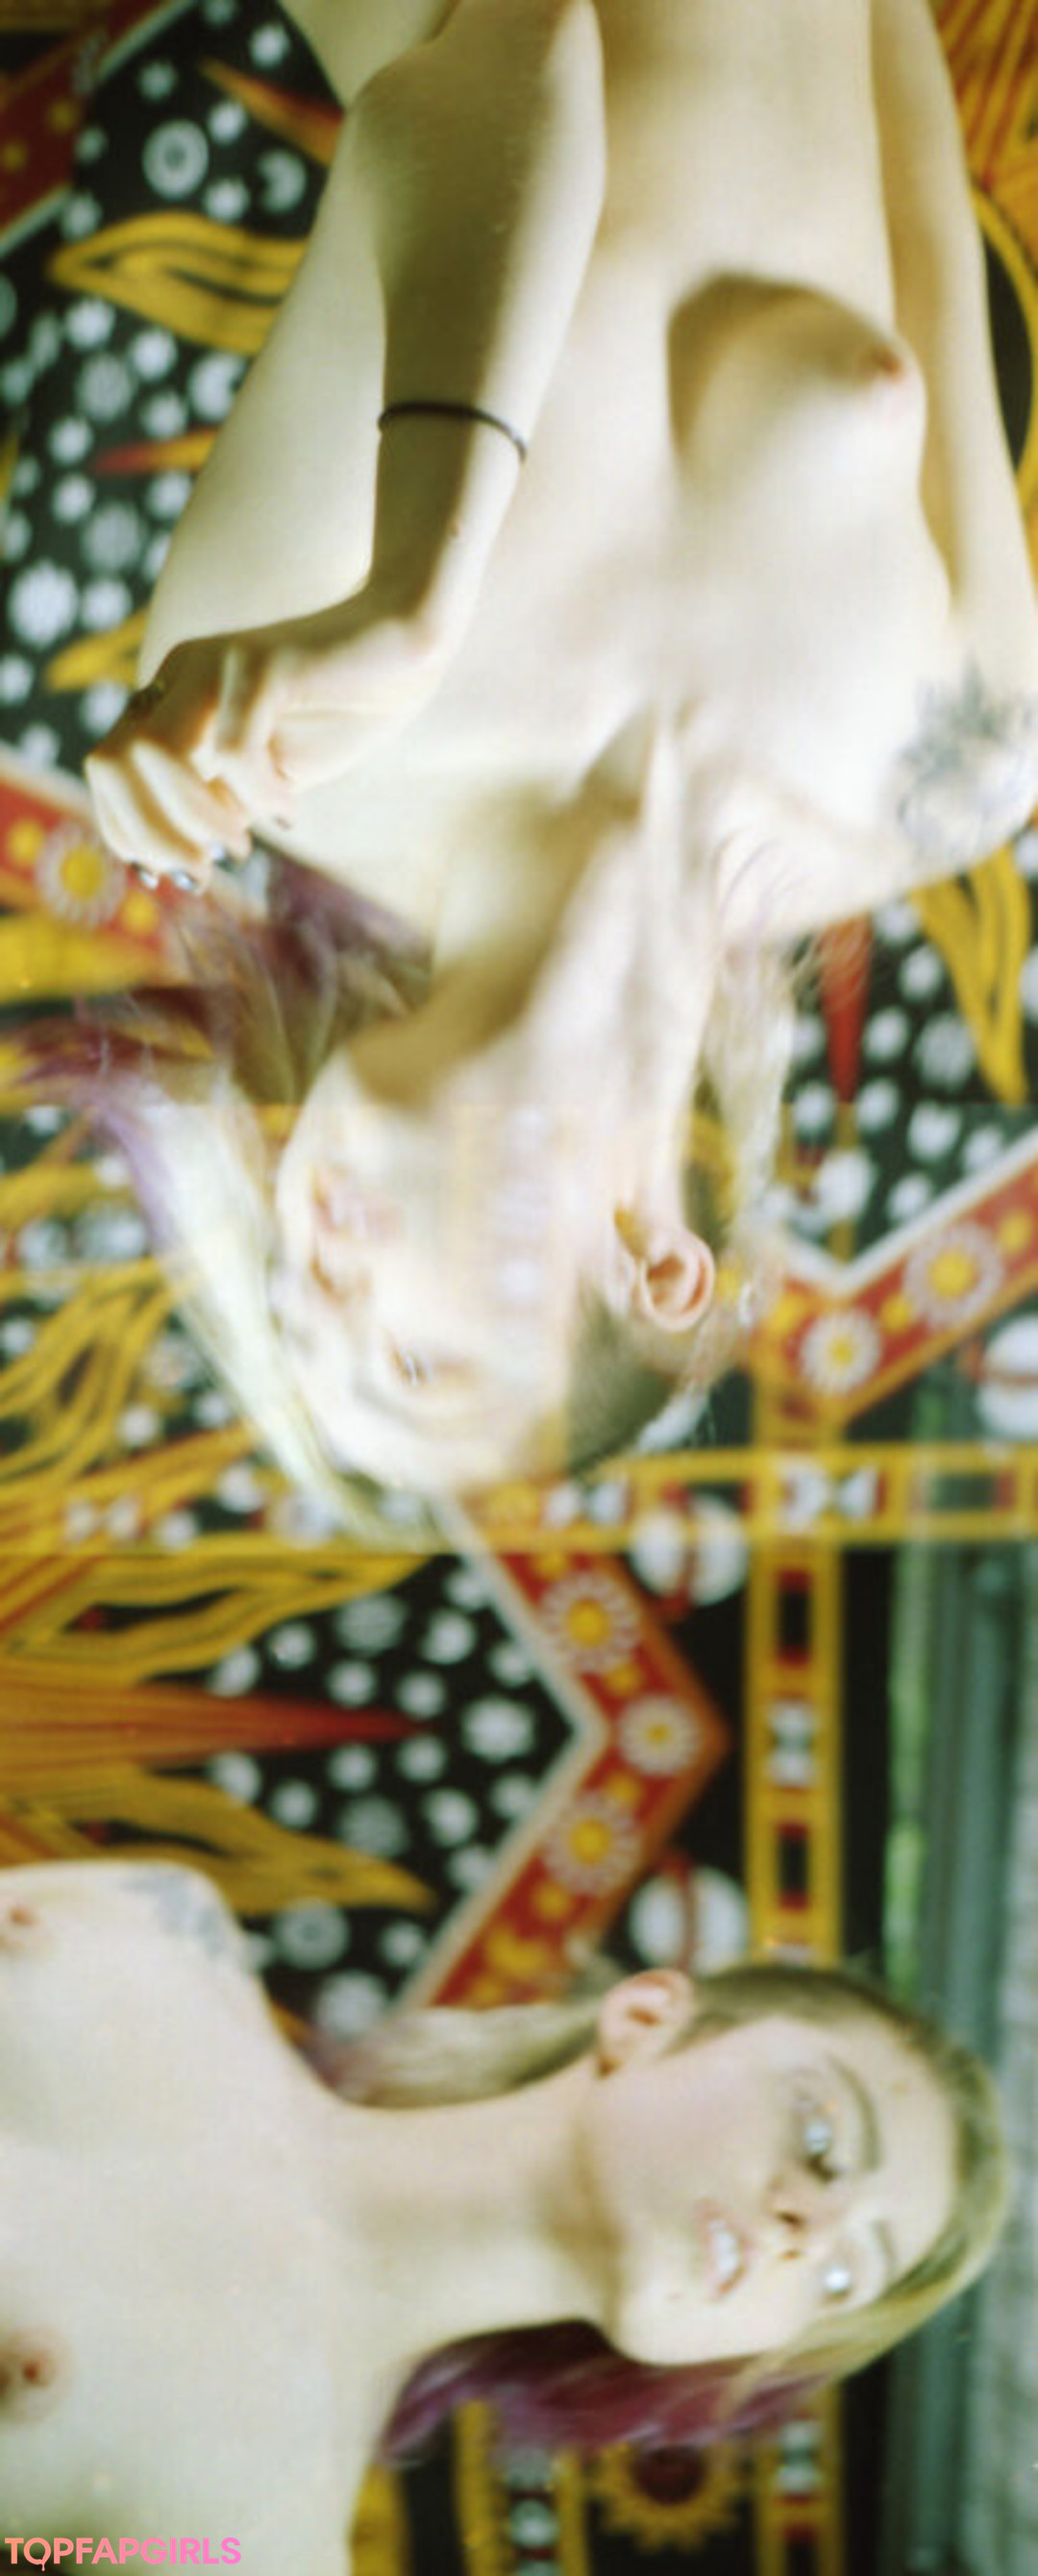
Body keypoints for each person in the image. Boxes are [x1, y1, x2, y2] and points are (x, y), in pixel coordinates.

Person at [77, 0, 1038, 1509]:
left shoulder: (292, 720)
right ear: (654, 1267)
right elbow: (922, 154)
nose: (316, 1291)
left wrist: (415, 592)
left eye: (291, 1317)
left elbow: (506, 53)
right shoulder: (961, 775)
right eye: (413, 1361)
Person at [0, 1859, 1007, 2570]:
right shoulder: (144, 1937)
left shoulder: (245, 2538)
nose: (807, 2229)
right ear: (648, 2017)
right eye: (822, 2135)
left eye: (842, 2275)